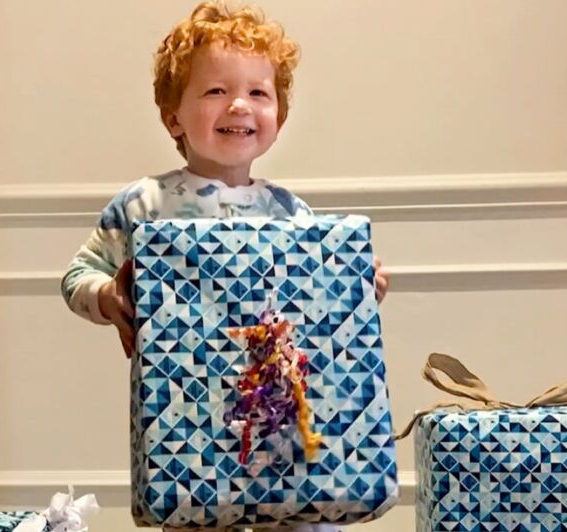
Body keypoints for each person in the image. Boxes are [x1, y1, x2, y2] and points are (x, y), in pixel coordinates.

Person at [61, 3, 389, 531]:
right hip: (187, 421)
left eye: (259, 93)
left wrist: (357, 285)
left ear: (278, 115)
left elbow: (321, 318)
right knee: (194, 515)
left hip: (281, 409)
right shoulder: (145, 204)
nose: (239, 104)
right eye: (215, 91)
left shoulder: (292, 214)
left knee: (301, 513)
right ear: (174, 116)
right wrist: (110, 297)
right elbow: (78, 276)